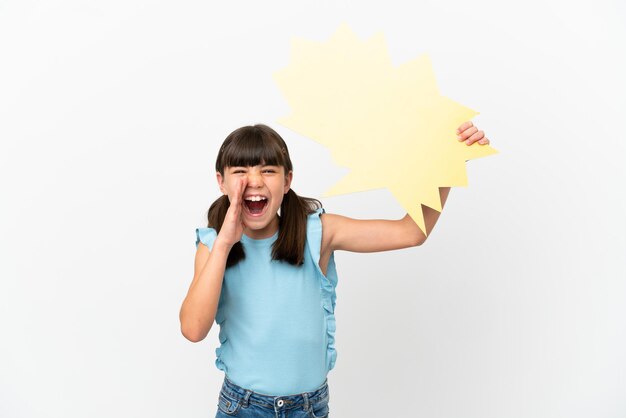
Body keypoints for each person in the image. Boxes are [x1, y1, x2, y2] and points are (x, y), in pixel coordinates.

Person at [179, 122, 491, 418]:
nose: (255, 181)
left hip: (309, 407)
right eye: (240, 171)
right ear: (221, 181)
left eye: (268, 170)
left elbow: (410, 232)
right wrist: (224, 244)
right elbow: (193, 330)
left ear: (287, 181)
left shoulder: (318, 232)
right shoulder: (212, 246)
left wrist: (450, 164)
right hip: (243, 407)